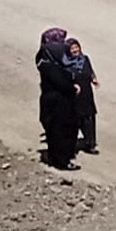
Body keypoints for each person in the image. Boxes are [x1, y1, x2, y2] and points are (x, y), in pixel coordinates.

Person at [36, 28, 80, 171]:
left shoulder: (44, 59)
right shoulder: (52, 65)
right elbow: (62, 82)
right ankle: (62, 161)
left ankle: (57, 158)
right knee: (61, 132)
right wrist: (73, 88)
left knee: (55, 132)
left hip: (50, 102)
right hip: (58, 104)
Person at [64, 38, 100, 155]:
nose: (75, 50)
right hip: (74, 97)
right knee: (75, 121)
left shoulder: (85, 59)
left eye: (76, 47)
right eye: (72, 48)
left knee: (89, 119)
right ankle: (71, 145)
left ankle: (90, 144)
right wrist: (72, 85)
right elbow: (63, 79)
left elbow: (90, 71)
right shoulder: (65, 64)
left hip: (86, 94)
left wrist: (93, 79)